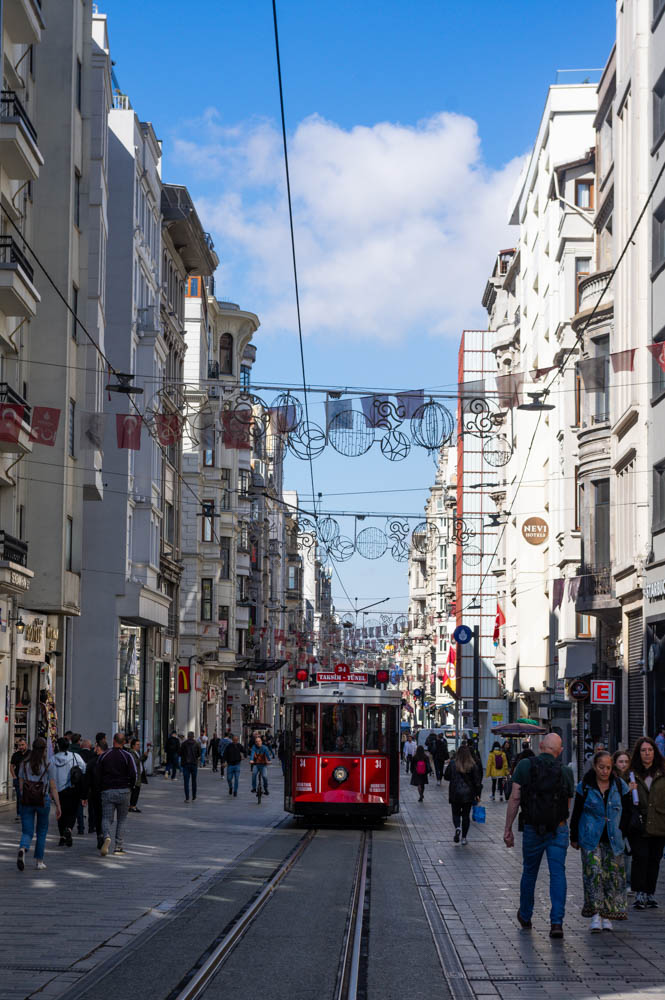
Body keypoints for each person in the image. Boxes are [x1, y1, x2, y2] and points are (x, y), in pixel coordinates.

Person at [504, 732, 574, 939]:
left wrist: (508, 828)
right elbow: (567, 805)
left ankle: (525, 914)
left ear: (541, 745)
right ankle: (556, 922)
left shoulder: (525, 766)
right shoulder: (566, 772)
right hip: (557, 828)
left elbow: (515, 798)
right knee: (558, 874)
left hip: (533, 828)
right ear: (560, 751)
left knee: (530, 872)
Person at [570, 749, 631, 931]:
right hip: (591, 838)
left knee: (612, 876)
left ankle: (608, 915)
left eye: (608, 767)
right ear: (595, 766)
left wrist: (623, 830)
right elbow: (577, 812)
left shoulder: (620, 785)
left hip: (614, 838)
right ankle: (596, 914)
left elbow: (628, 811)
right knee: (593, 874)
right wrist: (574, 837)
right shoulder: (585, 786)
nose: (605, 771)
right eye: (601, 767)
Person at [627, 736, 665, 910]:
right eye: (643, 750)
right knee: (640, 858)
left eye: (650, 750)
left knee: (654, 859)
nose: (647, 753)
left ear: (654, 752)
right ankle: (639, 892)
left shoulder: (662, 772)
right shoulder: (632, 773)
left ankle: (650, 893)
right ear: (638, 753)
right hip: (639, 823)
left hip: (659, 822)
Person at [16, 737, 61, 871]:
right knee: (41, 831)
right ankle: (39, 861)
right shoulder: (48, 764)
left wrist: (23, 797)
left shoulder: (24, 763)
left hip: (27, 801)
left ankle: (23, 848)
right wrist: (58, 805)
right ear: (44, 750)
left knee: (27, 831)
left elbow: (20, 785)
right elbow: (53, 787)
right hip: (43, 800)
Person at [97, 732, 137, 856]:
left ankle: (107, 836)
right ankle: (118, 846)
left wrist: (101, 788)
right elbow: (134, 774)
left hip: (108, 790)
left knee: (106, 818)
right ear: (124, 742)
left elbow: (98, 773)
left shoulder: (104, 755)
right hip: (124, 791)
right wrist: (130, 787)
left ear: (113, 741)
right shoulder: (127, 756)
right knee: (122, 819)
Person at [444, 745, 482, 845]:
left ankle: (457, 827)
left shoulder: (453, 763)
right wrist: (477, 794)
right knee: (466, 816)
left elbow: (446, 777)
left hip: (455, 793)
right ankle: (464, 838)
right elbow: (477, 781)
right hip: (468, 794)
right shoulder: (472, 765)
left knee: (455, 814)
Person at [52, 736, 87, 847]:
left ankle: (62, 836)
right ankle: (69, 829)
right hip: (72, 788)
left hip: (57, 790)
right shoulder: (75, 756)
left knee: (60, 812)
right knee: (72, 812)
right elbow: (84, 768)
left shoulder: (52, 759)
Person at [613, 750, 634, 893]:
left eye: (626, 762)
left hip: (629, 821)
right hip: (615, 820)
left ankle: (627, 882)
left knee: (627, 853)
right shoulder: (612, 779)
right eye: (621, 761)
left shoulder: (632, 778)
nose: (624, 765)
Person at [87, 738, 107, 849]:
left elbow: (87, 779)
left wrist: (85, 795)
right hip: (107, 792)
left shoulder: (93, 762)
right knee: (106, 814)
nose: (94, 749)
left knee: (98, 815)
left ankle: (100, 833)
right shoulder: (109, 760)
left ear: (99, 748)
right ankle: (105, 833)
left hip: (96, 793)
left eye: (95, 748)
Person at [10, 738, 28, 822]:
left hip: (28, 780)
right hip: (18, 779)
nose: (20, 747)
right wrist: (14, 776)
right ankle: (19, 814)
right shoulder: (15, 755)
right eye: (19, 745)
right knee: (19, 797)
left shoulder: (30, 754)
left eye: (22, 745)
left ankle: (27, 814)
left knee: (28, 797)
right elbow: (11, 766)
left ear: (26, 745)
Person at [128, 738, 148, 812]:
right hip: (135, 775)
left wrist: (145, 756)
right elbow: (135, 762)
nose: (139, 746)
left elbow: (140, 761)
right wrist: (142, 756)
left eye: (139, 744)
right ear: (133, 745)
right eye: (137, 744)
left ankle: (133, 805)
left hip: (139, 774)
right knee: (135, 791)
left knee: (137, 790)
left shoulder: (137, 752)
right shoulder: (132, 753)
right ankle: (132, 806)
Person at [180, 731, 200, 802]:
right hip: (194, 764)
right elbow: (199, 754)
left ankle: (187, 798)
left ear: (188, 736)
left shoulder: (184, 744)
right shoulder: (197, 744)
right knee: (194, 781)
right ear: (193, 736)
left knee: (186, 782)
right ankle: (194, 797)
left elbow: (180, 753)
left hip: (186, 764)